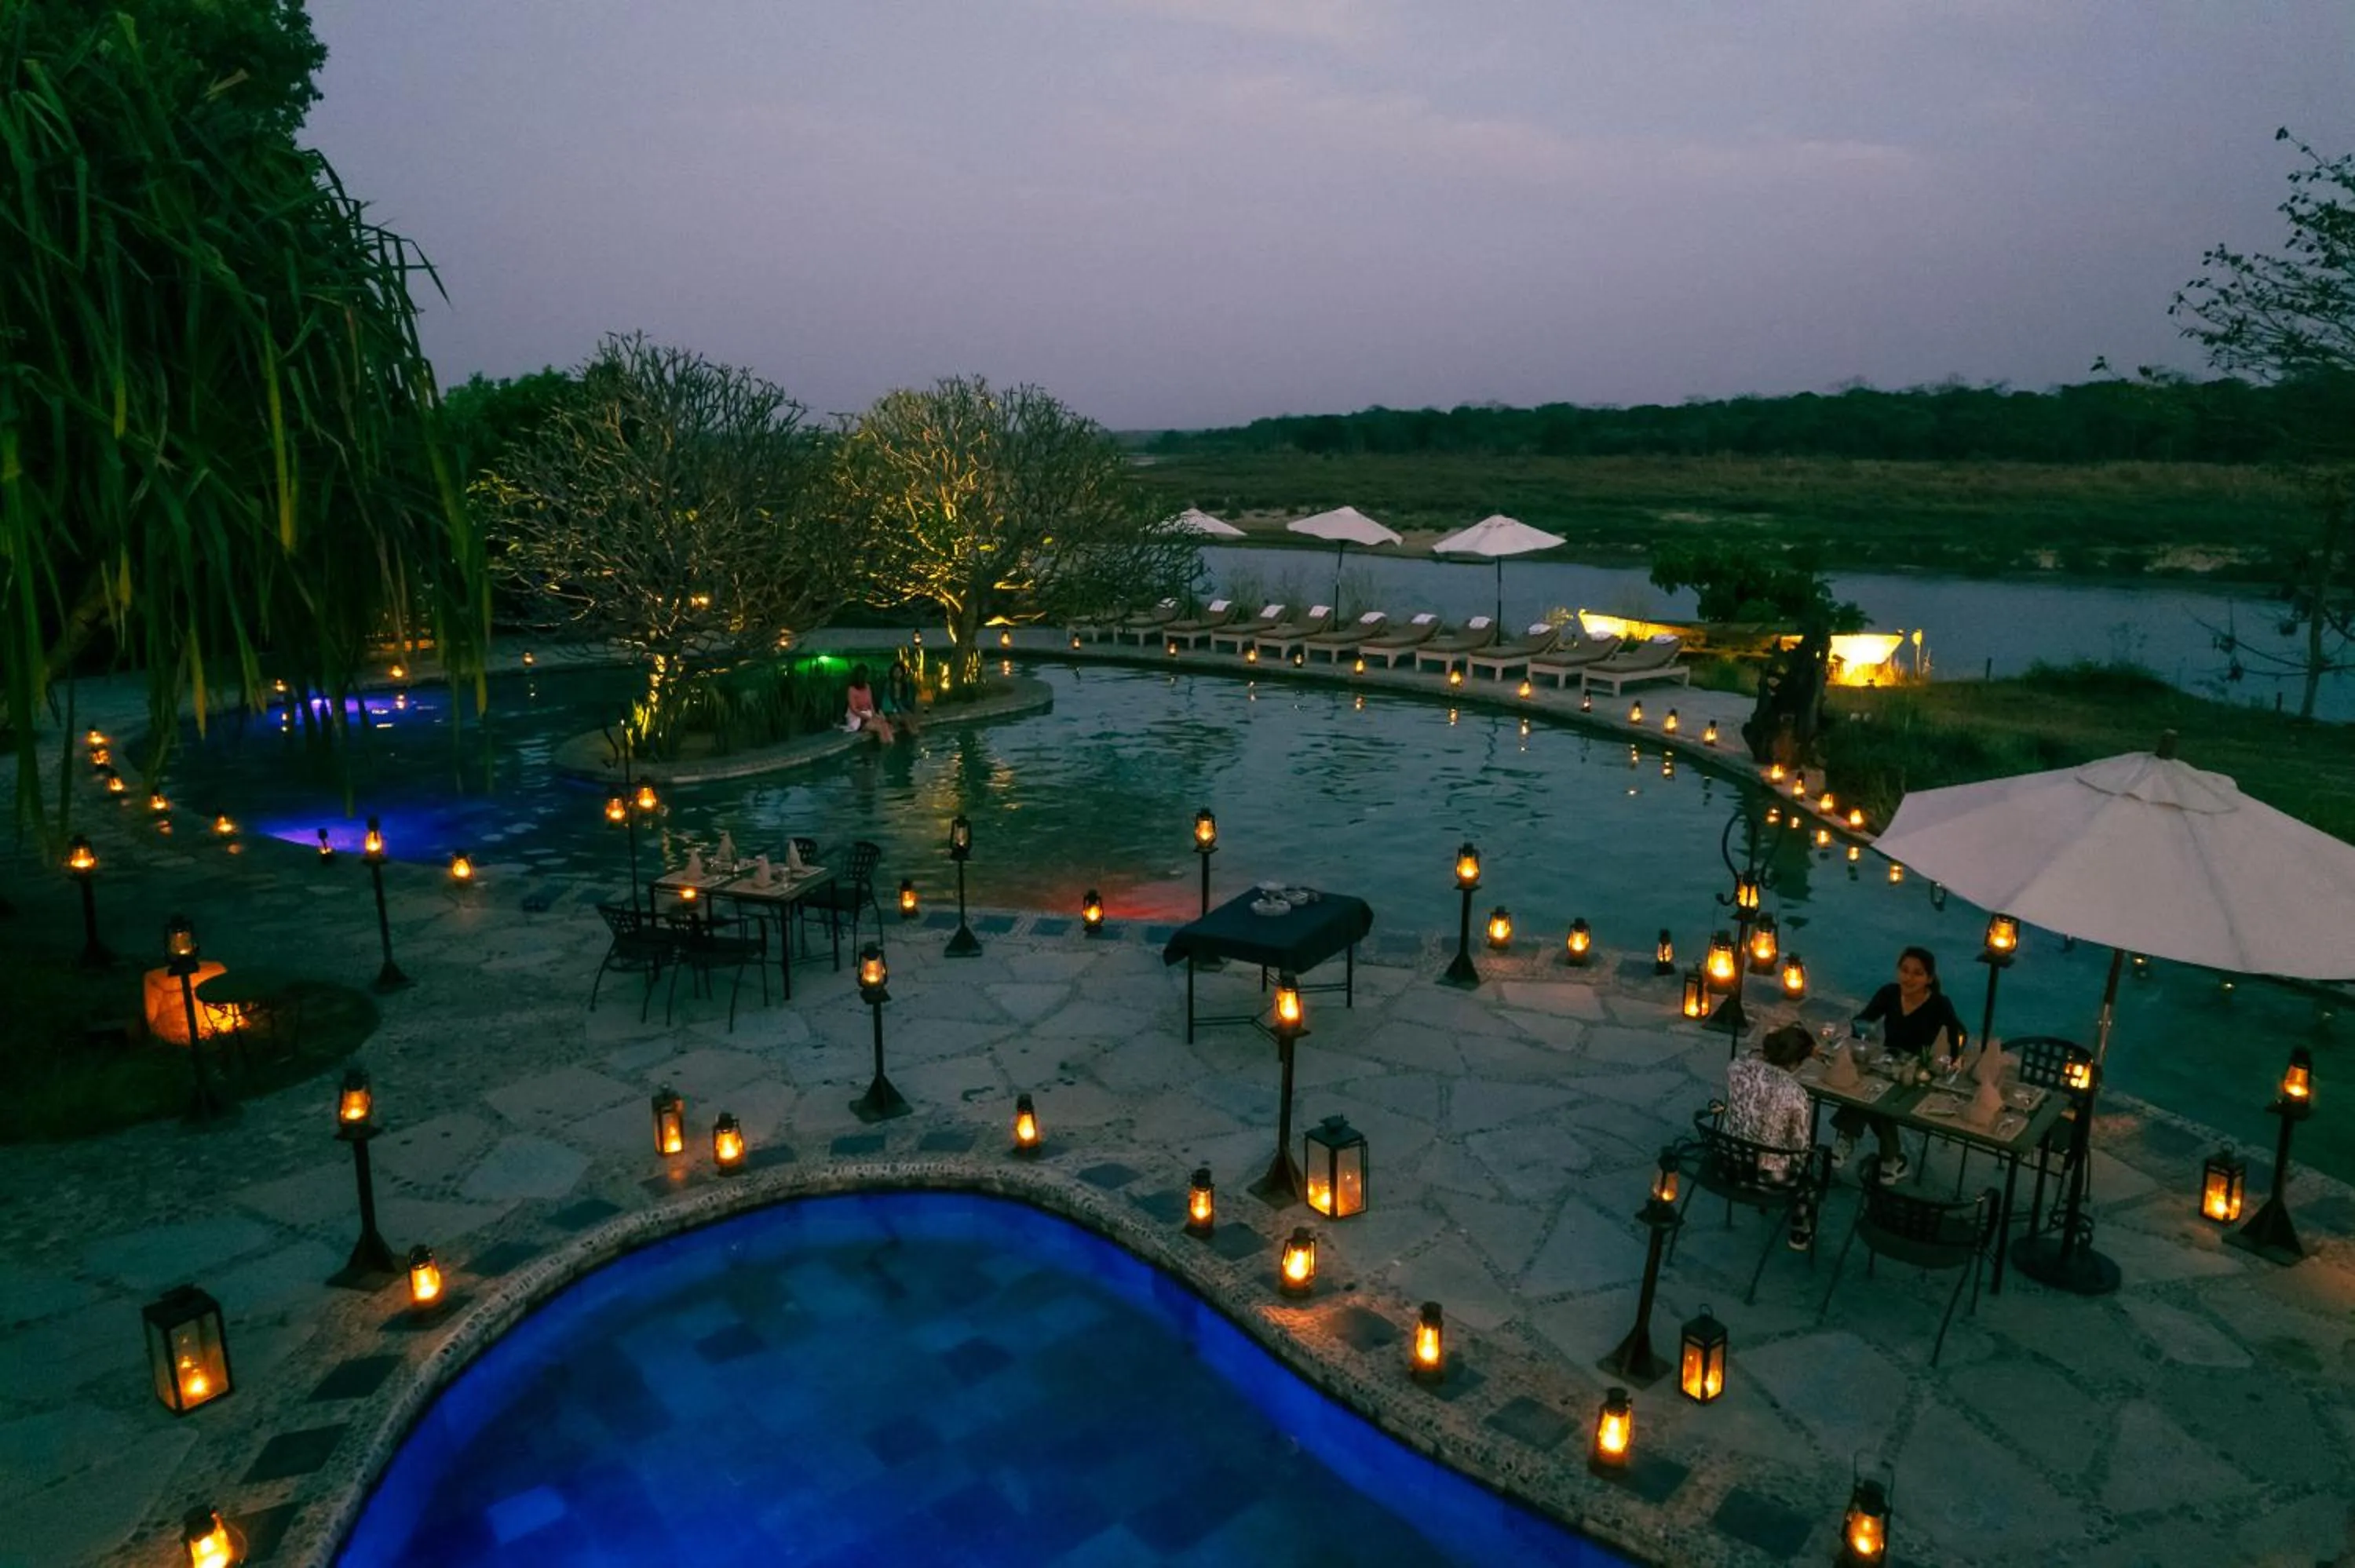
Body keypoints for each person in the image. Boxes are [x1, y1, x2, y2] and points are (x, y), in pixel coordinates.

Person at [1832, 945, 1969, 1183]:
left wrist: (1952, 1061)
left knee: (1874, 1096)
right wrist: (1852, 1034)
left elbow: (1958, 1033)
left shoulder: (1939, 1004)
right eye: (1905, 970)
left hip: (1917, 1072)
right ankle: (1890, 1162)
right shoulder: (1889, 993)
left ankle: (1850, 1139)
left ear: (1929, 978)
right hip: (1887, 1062)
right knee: (1869, 1088)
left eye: (1918, 973)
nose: (1909, 977)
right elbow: (1864, 1020)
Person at [1725, 1023, 1821, 1249]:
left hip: (1729, 1162)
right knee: (1808, 1179)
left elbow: (1748, 1056)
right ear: (1796, 1062)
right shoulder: (1794, 1093)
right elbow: (1800, 1147)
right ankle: (1800, 1230)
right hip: (1766, 1179)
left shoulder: (1737, 1069)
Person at [844, 664, 894, 745]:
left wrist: (874, 715)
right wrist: (867, 717)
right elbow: (854, 709)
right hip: (857, 718)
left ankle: (891, 746)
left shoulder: (867, 686)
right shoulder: (851, 689)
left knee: (885, 724)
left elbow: (870, 704)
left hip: (868, 713)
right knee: (880, 727)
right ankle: (885, 749)